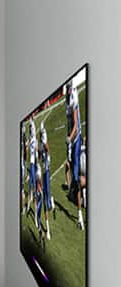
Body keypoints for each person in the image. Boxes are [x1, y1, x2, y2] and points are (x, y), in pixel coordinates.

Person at [65, 79, 85, 230]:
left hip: (76, 140)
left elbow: (76, 127)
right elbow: (69, 124)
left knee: (77, 179)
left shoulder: (73, 99)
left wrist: (69, 138)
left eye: (68, 88)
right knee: (72, 171)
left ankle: (80, 217)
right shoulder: (67, 102)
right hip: (71, 142)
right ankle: (77, 197)